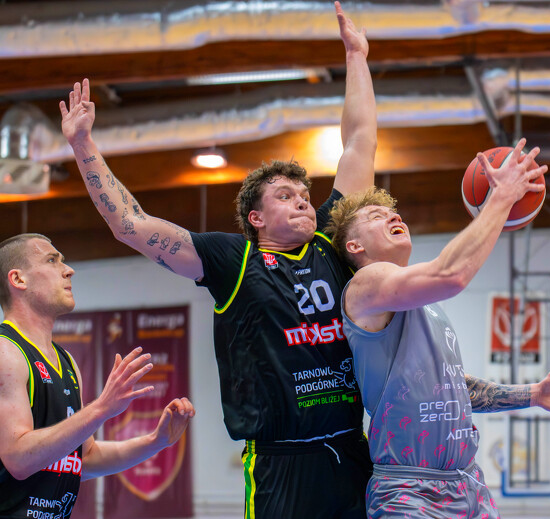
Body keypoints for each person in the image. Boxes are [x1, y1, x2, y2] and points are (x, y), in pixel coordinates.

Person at [60, 3, 375, 517]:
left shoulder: (328, 239)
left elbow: (359, 143)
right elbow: (131, 225)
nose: (302, 201)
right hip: (279, 463)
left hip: (351, 451)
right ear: (255, 217)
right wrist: (82, 144)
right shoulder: (234, 259)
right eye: (285, 195)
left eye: (305, 194)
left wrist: (356, 56)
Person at [326, 139, 550, 518]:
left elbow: (454, 387)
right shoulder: (364, 286)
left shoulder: (427, 306)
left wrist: (532, 394)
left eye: (393, 213)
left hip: (468, 483)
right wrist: (500, 198)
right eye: (376, 216)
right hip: (410, 491)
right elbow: (451, 275)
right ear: (354, 245)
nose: (392, 217)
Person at [0, 233, 195, 519]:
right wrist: (102, 408)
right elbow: (18, 459)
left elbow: (86, 458)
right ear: (18, 279)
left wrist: (156, 441)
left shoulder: (66, 361)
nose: (69, 270)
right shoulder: (6, 351)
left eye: (63, 261)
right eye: (52, 260)